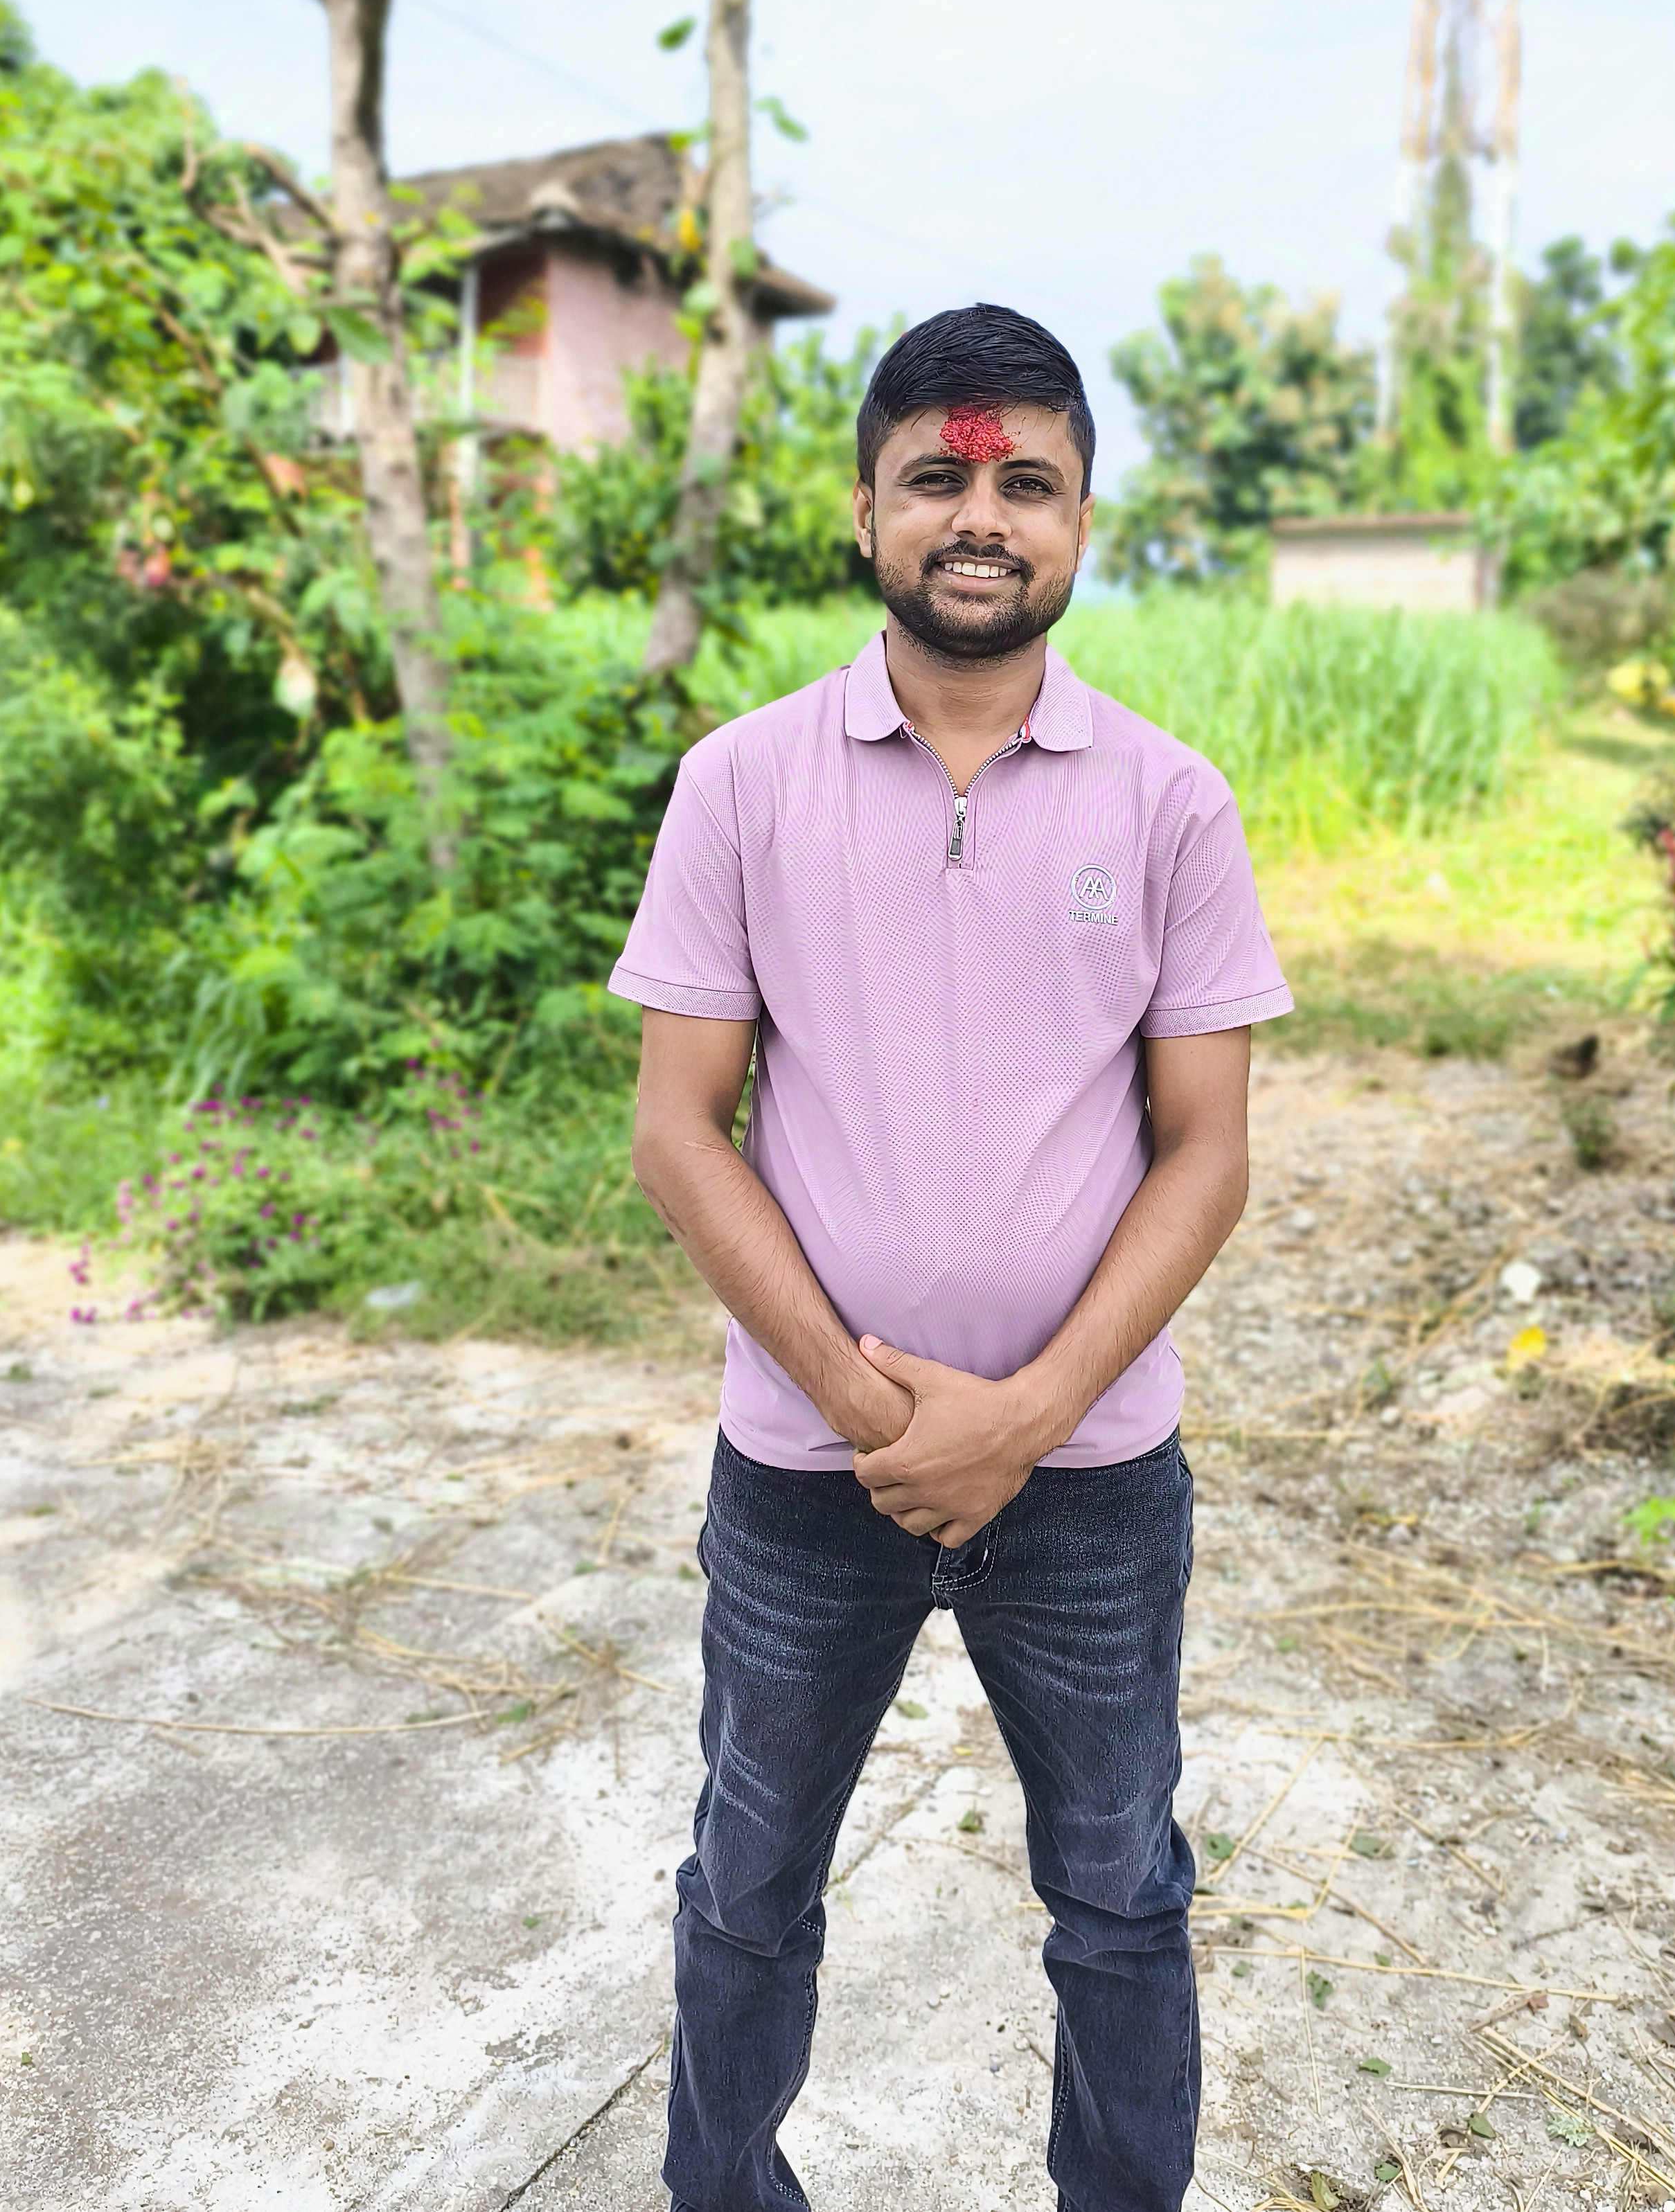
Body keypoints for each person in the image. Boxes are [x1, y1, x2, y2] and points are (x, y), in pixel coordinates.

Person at [612, 303, 1292, 2212]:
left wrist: (1028, 1417)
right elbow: (680, 1130)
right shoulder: (742, 783)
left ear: (1080, 523)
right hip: (802, 1473)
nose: (979, 516)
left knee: (1120, 1893)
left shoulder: (1169, 802)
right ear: (866, 511)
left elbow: (1206, 1149)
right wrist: (867, 1406)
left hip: (1088, 1482)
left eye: (1026, 483)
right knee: (748, 1882)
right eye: (937, 477)